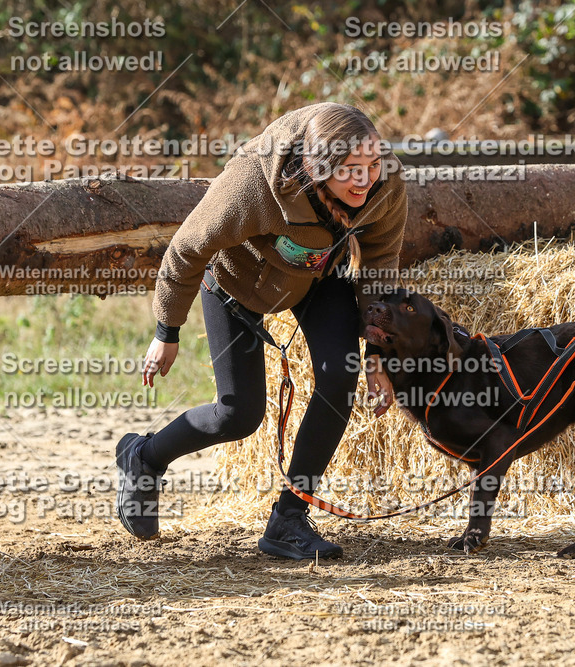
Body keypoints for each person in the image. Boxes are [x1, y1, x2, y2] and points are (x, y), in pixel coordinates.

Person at [115, 102, 407, 560]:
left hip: (317, 276)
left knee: (338, 378)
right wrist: (166, 329)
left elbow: (380, 266)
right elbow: (188, 248)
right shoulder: (254, 182)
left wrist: (377, 354)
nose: (366, 179)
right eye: (351, 170)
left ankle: (288, 519)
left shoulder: (383, 181)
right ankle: (144, 457)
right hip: (236, 282)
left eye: (372, 165)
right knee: (239, 414)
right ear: (317, 166)